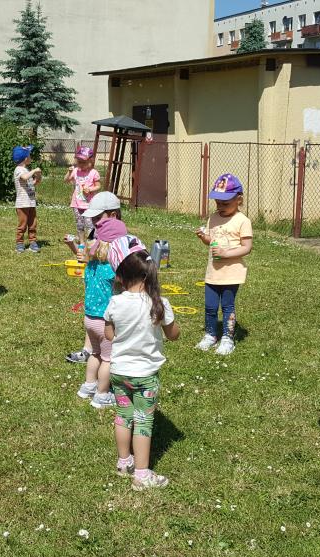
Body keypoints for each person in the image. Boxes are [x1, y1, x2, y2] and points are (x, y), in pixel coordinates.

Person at [104, 246, 180, 490]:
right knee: (143, 422)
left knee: (123, 416)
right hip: (145, 376)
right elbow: (174, 335)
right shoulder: (159, 303)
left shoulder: (115, 302)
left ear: (121, 277)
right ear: (149, 276)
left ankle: (123, 462)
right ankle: (142, 475)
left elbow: (109, 335)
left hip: (119, 372)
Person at [65, 192, 127, 409]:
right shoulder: (112, 268)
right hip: (106, 321)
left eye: (97, 218)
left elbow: (87, 254)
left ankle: (88, 386)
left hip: (89, 318)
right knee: (109, 359)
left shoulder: (91, 265)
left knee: (95, 353)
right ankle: (102, 394)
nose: (95, 223)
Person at [194, 173, 253, 356]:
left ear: (239, 200)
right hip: (213, 272)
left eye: (225, 203)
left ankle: (228, 338)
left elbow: (247, 247)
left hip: (231, 273)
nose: (220, 206)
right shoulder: (213, 217)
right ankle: (210, 335)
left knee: (227, 306)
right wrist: (204, 237)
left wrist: (226, 253)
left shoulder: (243, 221)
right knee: (210, 306)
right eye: (218, 202)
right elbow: (212, 241)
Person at [63, 146, 101, 246]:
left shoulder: (94, 173)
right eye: (79, 162)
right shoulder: (75, 171)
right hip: (76, 203)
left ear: (91, 161)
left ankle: (92, 242)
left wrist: (90, 189)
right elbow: (66, 180)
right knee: (79, 224)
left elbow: (98, 186)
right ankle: (82, 242)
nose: (80, 164)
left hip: (89, 204)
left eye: (83, 162)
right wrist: (69, 172)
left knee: (90, 224)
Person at [13, 145, 42, 253]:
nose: (31, 157)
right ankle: (19, 243)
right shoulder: (18, 169)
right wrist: (34, 170)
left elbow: (34, 183)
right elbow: (25, 177)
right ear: (25, 158)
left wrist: (38, 176)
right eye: (29, 155)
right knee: (22, 225)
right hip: (22, 203)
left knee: (33, 224)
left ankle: (33, 242)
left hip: (31, 202)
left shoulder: (25, 169)